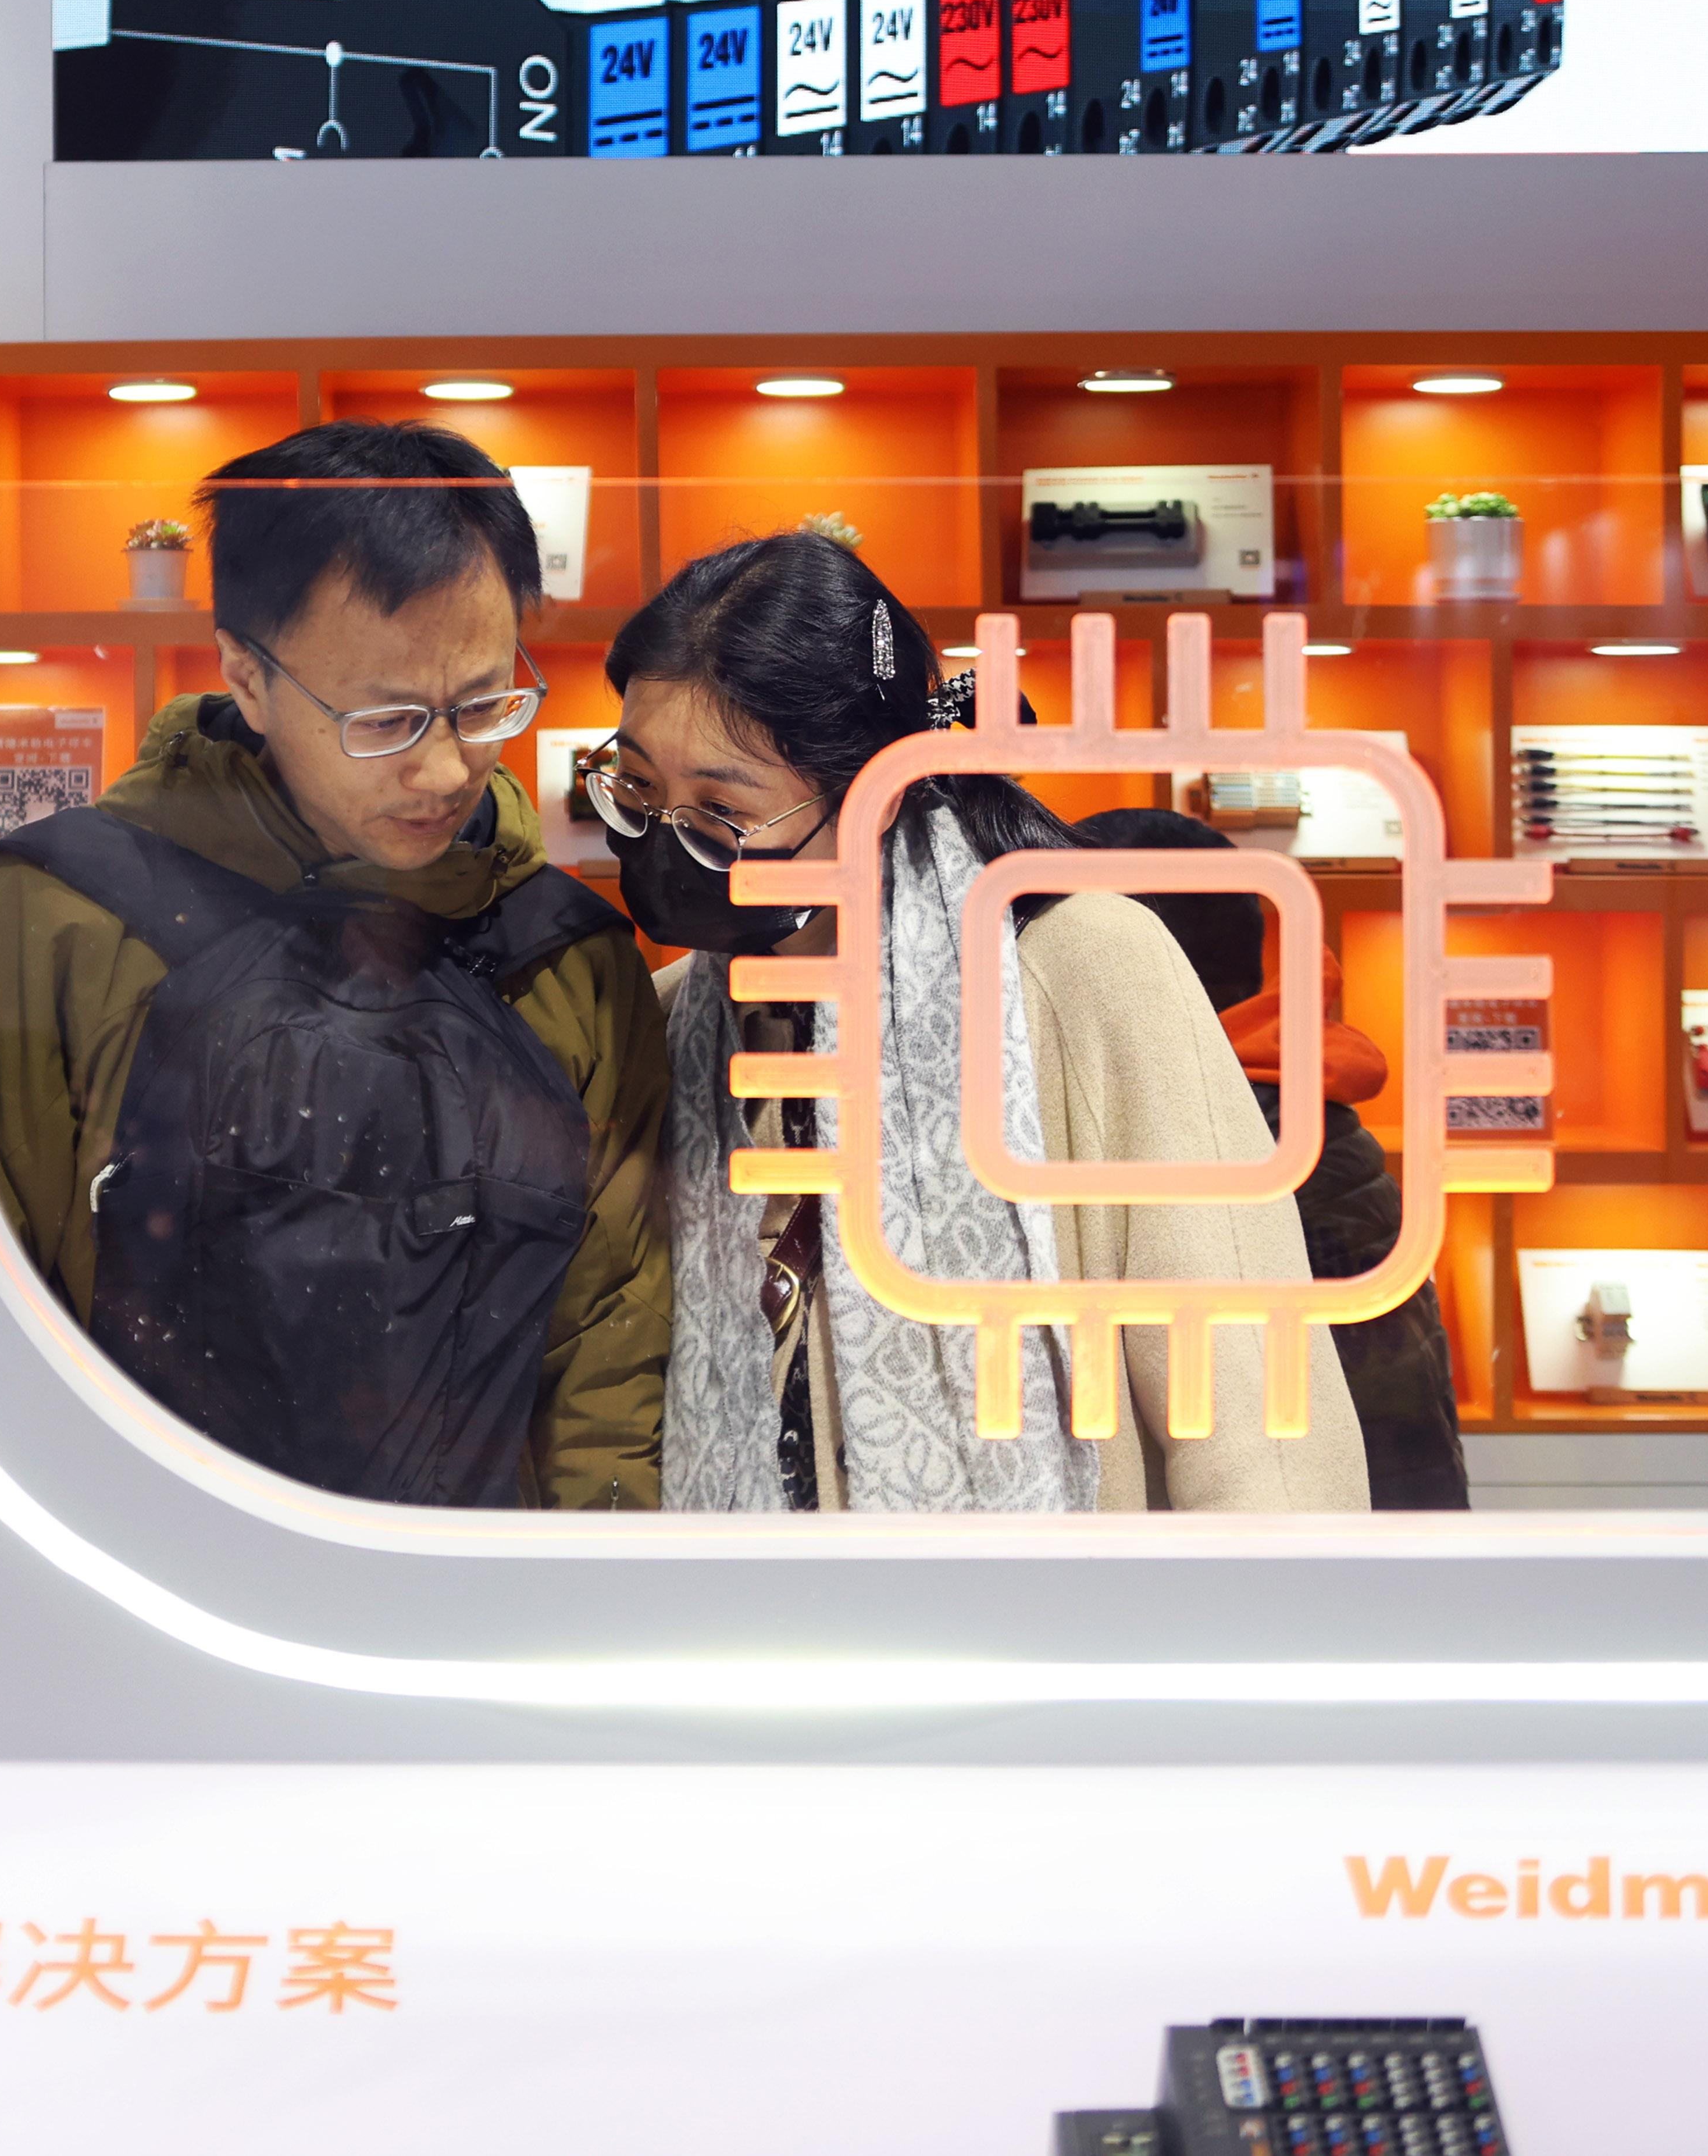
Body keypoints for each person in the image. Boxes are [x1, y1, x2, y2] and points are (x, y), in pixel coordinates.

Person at [0, 421, 669, 1510]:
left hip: (486, 1586)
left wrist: (591, 1583)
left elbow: (607, 1359)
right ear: (246, 675)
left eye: (484, 704)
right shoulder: (57, 920)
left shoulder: (569, 959)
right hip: (140, 1573)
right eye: (385, 720)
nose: (445, 768)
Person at [592, 529, 1364, 1514]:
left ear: (871, 794)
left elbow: (1259, 1417)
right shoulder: (673, 1023)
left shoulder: (1080, 974)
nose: (666, 843)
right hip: (755, 1601)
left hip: (1053, 1605)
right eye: (637, 791)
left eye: (719, 814)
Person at [1062, 806, 1473, 1511]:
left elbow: (1358, 1429)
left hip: (1320, 1556)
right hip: (1352, 1546)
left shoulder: (1231, 1135)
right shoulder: (1278, 1105)